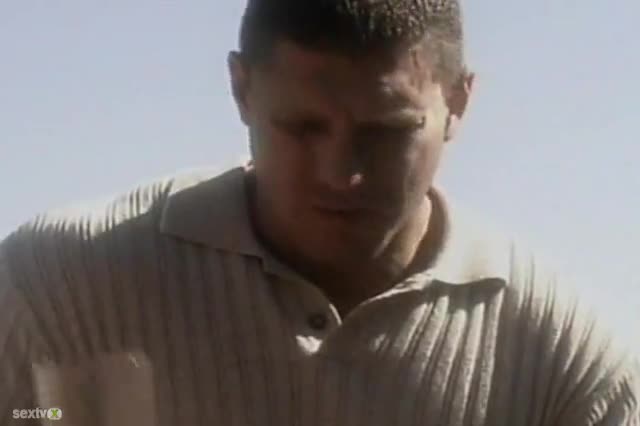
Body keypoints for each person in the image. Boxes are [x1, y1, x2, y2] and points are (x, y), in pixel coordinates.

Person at [1, 0, 638, 424]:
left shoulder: (567, 364)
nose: (341, 173)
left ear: (458, 102)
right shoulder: (56, 291)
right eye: (303, 127)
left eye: (386, 131)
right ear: (240, 88)